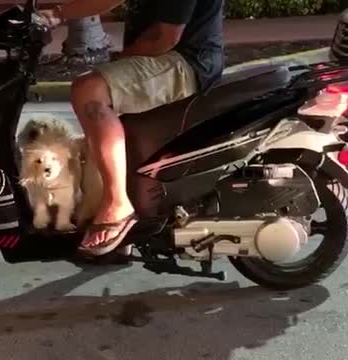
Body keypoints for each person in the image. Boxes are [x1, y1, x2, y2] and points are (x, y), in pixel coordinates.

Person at [39, 0, 225, 256]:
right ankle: (121, 235)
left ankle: (118, 204)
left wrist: (122, 59)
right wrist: (54, 14)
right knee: (106, 123)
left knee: (89, 90)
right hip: (168, 56)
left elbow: (166, 37)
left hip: (186, 60)